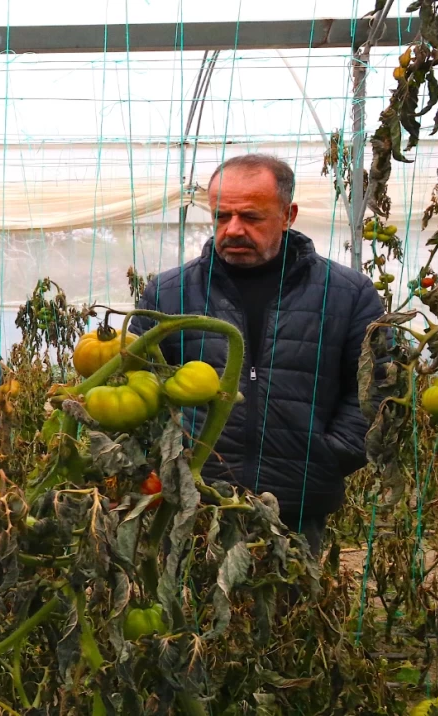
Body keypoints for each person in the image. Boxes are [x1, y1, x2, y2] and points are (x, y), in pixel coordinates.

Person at [131, 154, 382, 551]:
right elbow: (137, 383)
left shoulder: (348, 294)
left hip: (295, 505)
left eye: (250, 217)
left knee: (287, 589)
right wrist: (162, 461)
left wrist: (329, 453)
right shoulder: (168, 293)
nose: (233, 229)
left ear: (287, 215)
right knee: (183, 589)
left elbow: (373, 389)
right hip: (191, 500)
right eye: (221, 216)